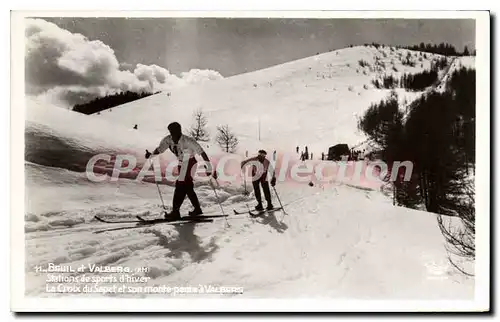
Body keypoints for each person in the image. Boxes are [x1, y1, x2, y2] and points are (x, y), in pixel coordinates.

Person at [145, 122, 216, 220]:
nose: (173, 135)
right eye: (171, 132)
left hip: (191, 163)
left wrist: (208, 167)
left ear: (179, 131)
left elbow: (201, 152)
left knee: (180, 185)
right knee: (187, 187)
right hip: (181, 163)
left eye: (175, 132)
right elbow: (160, 149)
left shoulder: (188, 141)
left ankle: (175, 212)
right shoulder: (168, 140)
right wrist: (151, 155)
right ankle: (197, 209)